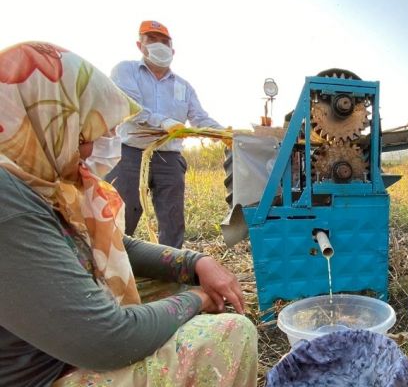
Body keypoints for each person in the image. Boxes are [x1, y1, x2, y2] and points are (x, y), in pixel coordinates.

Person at [0, 42, 257, 387]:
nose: (92, 149)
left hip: (58, 346)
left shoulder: (37, 181)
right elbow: (107, 340)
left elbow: (115, 246)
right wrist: (196, 300)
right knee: (231, 331)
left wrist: (195, 262)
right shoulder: (8, 203)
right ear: (47, 119)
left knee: (174, 277)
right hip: (43, 374)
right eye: (83, 134)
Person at [107, 20, 225, 248]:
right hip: (130, 154)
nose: (159, 45)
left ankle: (171, 272)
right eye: (152, 40)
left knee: (172, 221)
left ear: (172, 50)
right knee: (122, 213)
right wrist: (165, 122)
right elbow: (131, 107)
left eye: (164, 41)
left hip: (168, 157)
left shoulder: (183, 86)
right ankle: (114, 269)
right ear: (140, 45)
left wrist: (224, 134)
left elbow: (199, 118)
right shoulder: (125, 71)